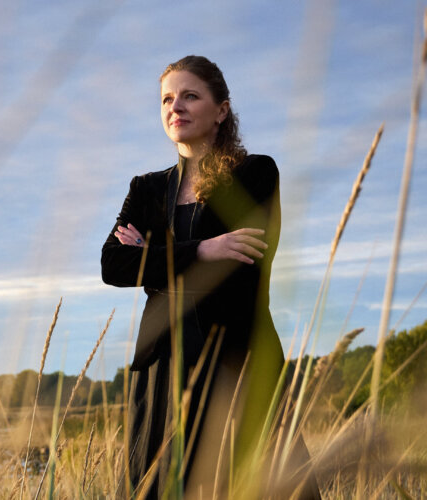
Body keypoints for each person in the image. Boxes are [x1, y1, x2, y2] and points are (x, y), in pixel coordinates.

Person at [101, 55, 319, 499]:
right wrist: (202, 248)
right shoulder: (145, 188)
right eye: (166, 98)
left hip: (236, 360)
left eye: (189, 95)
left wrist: (154, 259)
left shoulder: (255, 173)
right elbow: (112, 265)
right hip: (163, 366)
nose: (174, 107)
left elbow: (244, 264)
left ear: (221, 109)